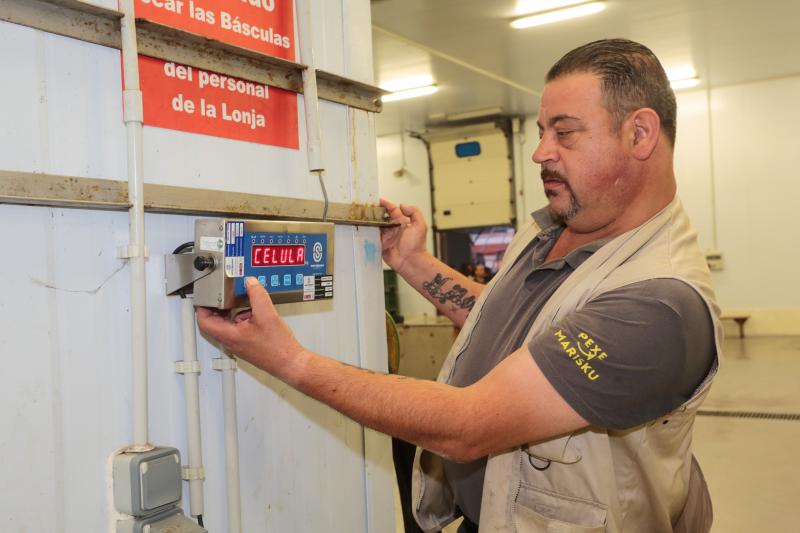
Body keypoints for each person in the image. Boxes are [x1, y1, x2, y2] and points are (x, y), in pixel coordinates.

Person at [197, 38, 722, 532]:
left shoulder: (659, 303)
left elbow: (468, 426)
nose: (541, 152)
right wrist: (412, 261)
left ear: (639, 134)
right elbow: (515, 327)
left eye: (564, 133)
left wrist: (290, 360)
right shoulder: (555, 227)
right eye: (542, 131)